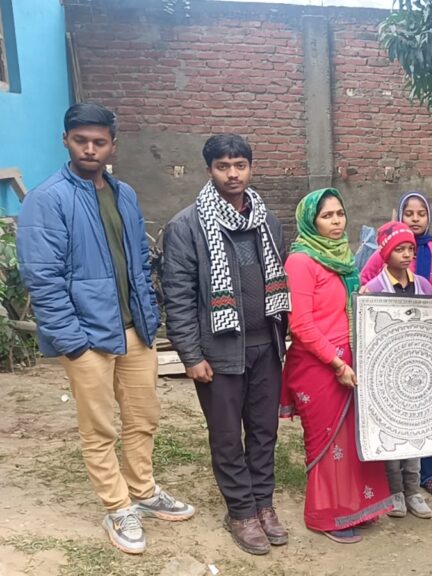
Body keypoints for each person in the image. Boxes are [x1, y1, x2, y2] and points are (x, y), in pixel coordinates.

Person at [16, 103, 194, 555]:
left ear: (113, 144)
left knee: (143, 419)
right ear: (66, 141)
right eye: (81, 141)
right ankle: (117, 506)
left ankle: (144, 490)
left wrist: (149, 316)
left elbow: (138, 258)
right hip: (86, 339)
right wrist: (72, 342)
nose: (90, 149)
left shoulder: (125, 194)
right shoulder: (48, 198)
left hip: (134, 330)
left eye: (99, 142)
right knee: (99, 429)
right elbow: (42, 278)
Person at [162, 134, 290, 555]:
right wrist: (191, 354)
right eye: (223, 166)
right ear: (209, 170)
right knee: (227, 437)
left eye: (240, 165)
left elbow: (280, 284)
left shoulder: (267, 221)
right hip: (218, 354)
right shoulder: (188, 226)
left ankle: (263, 504)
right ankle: (240, 511)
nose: (232, 174)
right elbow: (177, 296)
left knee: (264, 432)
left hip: (266, 346)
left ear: (251, 168)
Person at [281, 188, 393, 544]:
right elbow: (300, 324)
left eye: (339, 214)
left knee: (353, 439)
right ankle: (326, 515)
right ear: (310, 221)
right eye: (327, 216)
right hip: (318, 364)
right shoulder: (300, 261)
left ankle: (357, 507)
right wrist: (336, 363)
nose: (336, 221)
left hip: (349, 357)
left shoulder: (343, 258)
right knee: (327, 443)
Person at [360, 192, 432, 497]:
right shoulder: (379, 259)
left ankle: (427, 476)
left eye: (421, 213)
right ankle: (395, 488)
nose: (415, 218)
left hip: (424, 343)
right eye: (409, 213)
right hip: (392, 348)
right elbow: (366, 291)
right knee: (394, 420)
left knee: (424, 413)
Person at [362, 221, 432, 520]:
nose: (406, 255)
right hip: (387, 375)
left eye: (410, 249)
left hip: (417, 373)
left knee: (413, 433)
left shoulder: (424, 286)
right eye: (399, 249)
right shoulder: (373, 289)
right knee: (390, 435)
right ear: (385, 253)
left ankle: (413, 490)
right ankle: (394, 492)